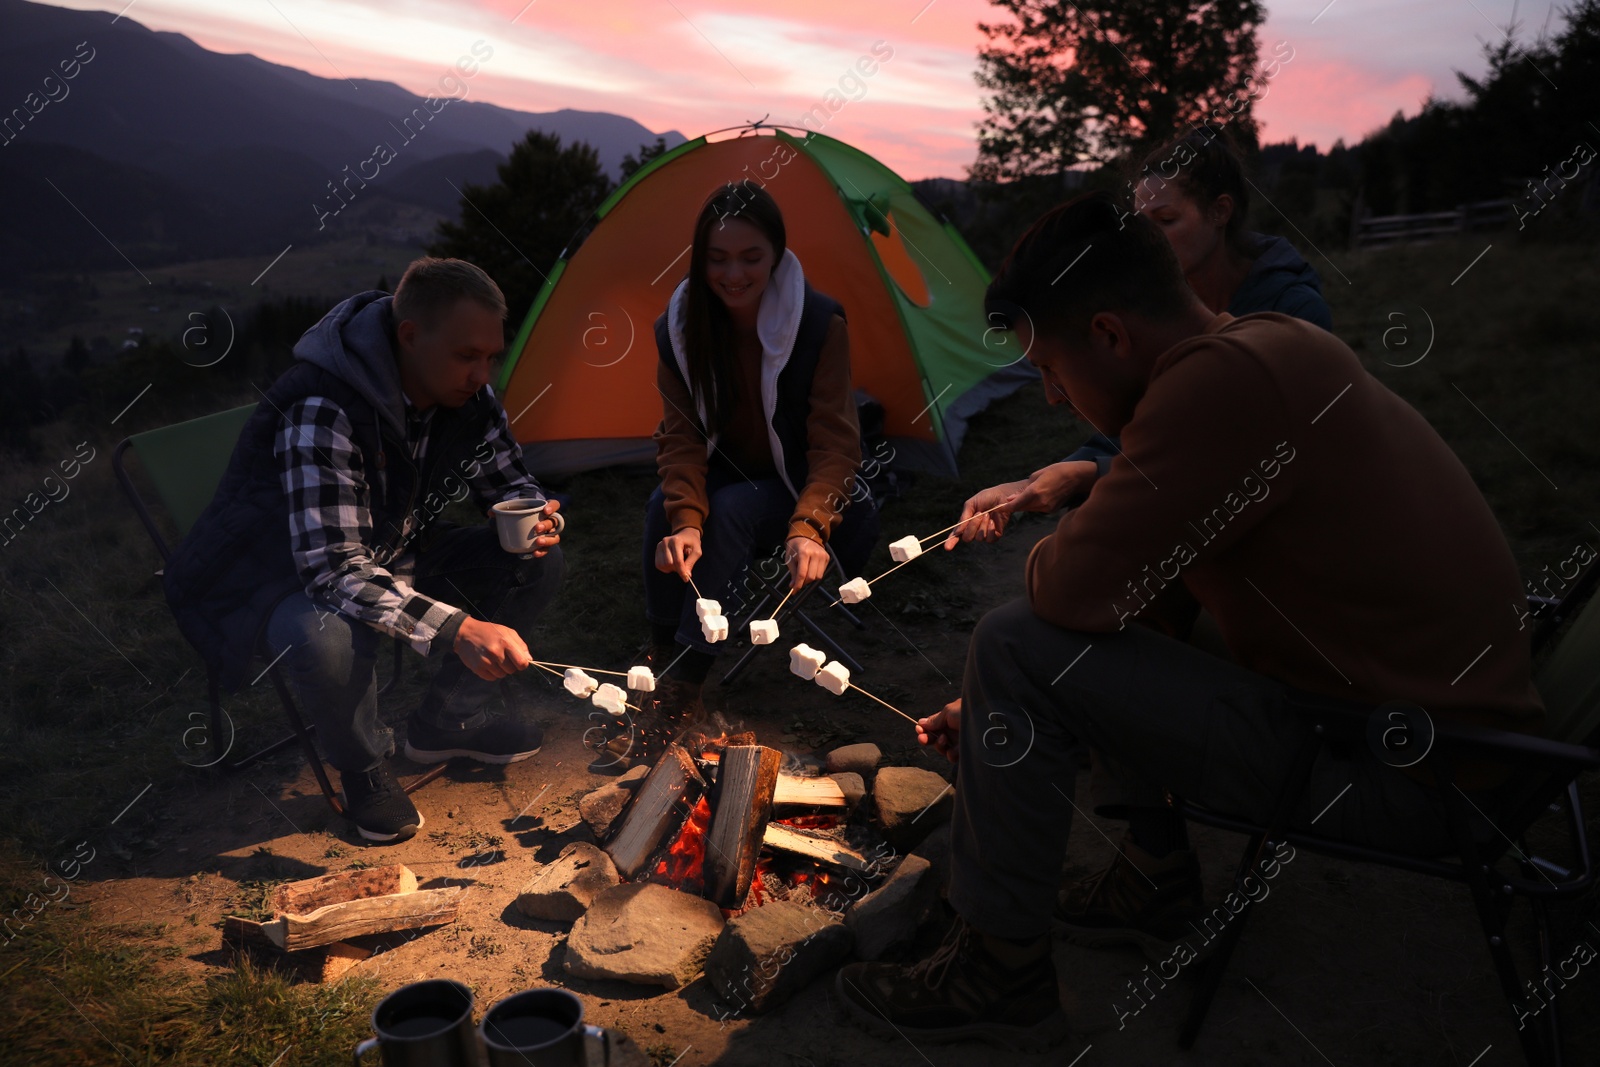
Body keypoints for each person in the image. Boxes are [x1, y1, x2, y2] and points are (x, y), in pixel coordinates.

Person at [834, 192, 1543, 1049]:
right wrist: (1002, 705)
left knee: (1017, 646)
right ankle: (1152, 876)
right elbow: (1139, 587)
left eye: (1051, 369)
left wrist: (1015, 673)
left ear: (1108, 333)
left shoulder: (1217, 388)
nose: (1055, 399)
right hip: (1453, 737)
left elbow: (1067, 590)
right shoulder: (1267, 344)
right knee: (1092, 636)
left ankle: (998, 972)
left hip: (1420, 781)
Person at [164, 258, 563, 843]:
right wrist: (459, 629)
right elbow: (333, 569)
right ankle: (364, 768)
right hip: (282, 580)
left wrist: (537, 513)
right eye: (465, 356)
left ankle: (447, 721)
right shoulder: (326, 408)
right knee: (323, 632)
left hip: (387, 551)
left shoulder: (468, 395)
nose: (482, 373)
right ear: (409, 336)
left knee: (537, 559)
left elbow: (510, 482)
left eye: (490, 357)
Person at [624, 180, 878, 765]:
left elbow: (836, 445)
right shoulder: (682, 329)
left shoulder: (816, 324)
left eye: (750, 258)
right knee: (663, 508)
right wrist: (687, 521)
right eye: (716, 259)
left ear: (777, 255)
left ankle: (685, 685)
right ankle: (663, 649)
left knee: (736, 507)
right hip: (728, 474)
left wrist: (809, 525)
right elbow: (682, 436)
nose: (732, 274)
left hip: (800, 487)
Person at [1009, 127, 1334, 515]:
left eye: (1165, 219)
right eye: (1139, 223)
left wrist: (1092, 473)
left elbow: (1236, 456)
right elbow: (1148, 419)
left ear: (1220, 211)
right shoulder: (1160, 308)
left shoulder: (1291, 312)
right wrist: (1058, 472)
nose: (1148, 238)